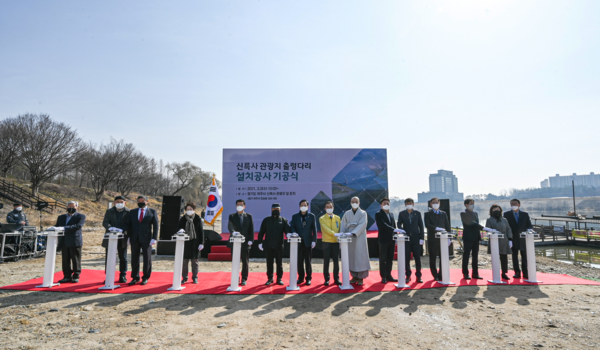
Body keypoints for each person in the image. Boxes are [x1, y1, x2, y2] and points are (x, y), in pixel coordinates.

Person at [121, 195, 159, 286]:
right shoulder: (132, 212)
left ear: (147, 201)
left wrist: (154, 238)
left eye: (142, 200)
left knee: (147, 258)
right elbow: (128, 224)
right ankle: (135, 277)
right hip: (134, 238)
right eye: (138, 201)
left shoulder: (152, 212)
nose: (140, 202)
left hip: (147, 239)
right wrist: (128, 236)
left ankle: (145, 277)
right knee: (134, 258)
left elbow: (156, 226)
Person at [257, 203, 291, 285]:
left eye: (277, 209)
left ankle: (279, 278)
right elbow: (261, 232)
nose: (275, 210)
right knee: (269, 262)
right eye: (274, 209)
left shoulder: (283, 220)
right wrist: (259, 242)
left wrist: (289, 235)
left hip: (279, 245)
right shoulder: (266, 220)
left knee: (279, 263)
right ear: (271, 210)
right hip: (268, 245)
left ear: (280, 210)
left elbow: (287, 231)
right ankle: (270, 278)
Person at [52, 201, 86, 283]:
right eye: (69, 206)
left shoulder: (81, 216)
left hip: (75, 240)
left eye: (73, 206)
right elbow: (57, 226)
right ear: (66, 207)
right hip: (63, 240)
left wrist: (63, 228)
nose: (71, 208)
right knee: (65, 259)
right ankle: (67, 276)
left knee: (75, 259)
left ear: (77, 207)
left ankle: (76, 275)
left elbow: (78, 226)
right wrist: (52, 228)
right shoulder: (61, 217)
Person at [340, 196, 370, 286]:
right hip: (349, 237)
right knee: (351, 257)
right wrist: (343, 234)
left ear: (359, 203)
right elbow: (343, 224)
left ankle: (361, 277)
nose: (354, 203)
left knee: (360, 256)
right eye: (353, 201)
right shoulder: (347, 213)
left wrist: (353, 233)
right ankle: (354, 276)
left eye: (356, 201)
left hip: (359, 236)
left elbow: (362, 224)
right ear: (350, 203)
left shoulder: (363, 213)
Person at [460, 199, 491, 279]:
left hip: (476, 237)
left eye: (473, 203)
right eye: (471, 203)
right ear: (466, 205)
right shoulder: (463, 213)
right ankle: (465, 273)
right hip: (468, 237)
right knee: (466, 255)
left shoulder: (475, 213)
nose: (473, 205)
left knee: (475, 256)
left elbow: (476, 224)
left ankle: (475, 273)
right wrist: (483, 228)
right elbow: (471, 223)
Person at [102, 195, 130, 283]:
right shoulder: (109, 211)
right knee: (109, 258)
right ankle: (109, 276)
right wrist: (110, 228)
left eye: (121, 202)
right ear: (114, 203)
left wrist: (122, 229)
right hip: (111, 237)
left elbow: (129, 223)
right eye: (118, 202)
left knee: (123, 257)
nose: (119, 204)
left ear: (125, 203)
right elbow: (105, 222)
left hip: (123, 237)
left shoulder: (129, 212)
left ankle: (123, 275)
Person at [227, 199, 254, 286]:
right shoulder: (232, 216)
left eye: (241, 205)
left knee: (245, 262)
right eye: (238, 205)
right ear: (236, 206)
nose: (239, 206)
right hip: (235, 242)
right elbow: (230, 225)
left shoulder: (249, 216)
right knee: (235, 261)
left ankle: (244, 278)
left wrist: (251, 240)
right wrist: (233, 232)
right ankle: (236, 277)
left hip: (245, 242)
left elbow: (251, 229)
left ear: (244, 206)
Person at [397, 198, 424, 284]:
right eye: (407, 203)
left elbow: (421, 226)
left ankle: (418, 276)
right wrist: (401, 230)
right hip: (406, 239)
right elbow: (398, 224)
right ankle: (408, 275)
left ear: (413, 204)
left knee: (417, 258)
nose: (409, 204)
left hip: (416, 239)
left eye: (410, 203)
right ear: (405, 205)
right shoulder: (402, 213)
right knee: (406, 258)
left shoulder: (417, 213)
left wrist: (422, 238)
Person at [504, 198, 533, 279]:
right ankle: (517, 272)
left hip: (523, 238)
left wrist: (530, 230)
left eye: (515, 203)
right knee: (514, 257)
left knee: (524, 256)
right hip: (513, 238)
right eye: (512, 204)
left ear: (519, 205)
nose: (513, 205)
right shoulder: (506, 214)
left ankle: (525, 272)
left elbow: (529, 225)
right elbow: (505, 226)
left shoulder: (525, 214)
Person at [290, 199, 317, 285]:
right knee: (299, 261)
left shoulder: (312, 216)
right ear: (299, 206)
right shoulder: (295, 216)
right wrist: (294, 232)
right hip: (298, 242)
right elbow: (292, 226)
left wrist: (314, 240)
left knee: (308, 261)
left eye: (305, 205)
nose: (303, 207)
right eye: (302, 205)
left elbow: (314, 229)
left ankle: (308, 278)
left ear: (308, 207)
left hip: (308, 242)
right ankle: (301, 277)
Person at [423, 197, 451, 281]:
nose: (435, 204)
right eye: (433, 202)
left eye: (437, 202)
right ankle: (434, 274)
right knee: (433, 258)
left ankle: (441, 273)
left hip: (443, 239)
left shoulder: (443, 213)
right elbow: (427, 225)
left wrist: (449, 237)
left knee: (443, 257)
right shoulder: (427, 214)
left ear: (439, 204)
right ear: (431, 204)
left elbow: (447, 226)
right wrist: (437, 228)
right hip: (432, 239)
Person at [178, 202, 204, 284]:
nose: (189, 211)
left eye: (191, 209)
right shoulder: (182, 219)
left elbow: (201, 232)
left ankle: (195, 277)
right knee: (184, 262)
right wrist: (180, 231)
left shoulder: (198, 219)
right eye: (187, 209)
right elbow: (178, 228)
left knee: (195, 262)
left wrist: (201, 243)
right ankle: (184, 277)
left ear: (194, 210)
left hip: (195, 242)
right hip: (185, 243)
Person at [375, 198, 399, 284]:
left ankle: (389, 275)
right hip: (383, 240)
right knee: (383, 259)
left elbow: (394, 225)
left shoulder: (391, 214)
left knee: (390, 259)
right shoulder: (378, 214)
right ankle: (383, 276)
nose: (386, 205)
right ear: (381, 205)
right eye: (384, 203)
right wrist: (394, 229)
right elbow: (382, 224)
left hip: (391, 240)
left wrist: (395, 235)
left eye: (388, 203)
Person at [485, 204, 513, 280]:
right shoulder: (489, 220)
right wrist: (492, 233)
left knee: (504, 258)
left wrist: (510, 239)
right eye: (495, 210)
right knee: (495, 257)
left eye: (498, 209)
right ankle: (496, 272)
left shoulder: (504, 220)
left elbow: (509, 229)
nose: (497, 211)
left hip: (504, 240)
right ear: (491, 211)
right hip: (494, 240)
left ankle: (504, 273)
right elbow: (487, 230)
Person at [319, 201, 342, 286]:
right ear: (325, 209)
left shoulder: (338, 218)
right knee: (326, 261)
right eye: (327, 207)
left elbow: (340, 228)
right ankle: (327, 279)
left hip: (336, 242)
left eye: (330, 207)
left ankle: (336, 279)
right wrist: (334, 234)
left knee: (336, 261)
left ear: (333, 208)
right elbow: (325, 229)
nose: (329, 208)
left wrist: (341, 235)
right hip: (326, 242)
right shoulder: (322, 218)